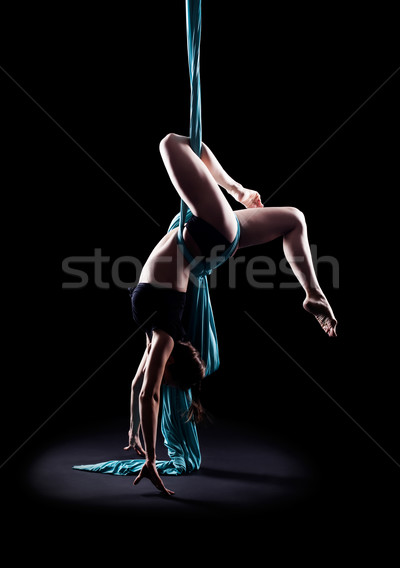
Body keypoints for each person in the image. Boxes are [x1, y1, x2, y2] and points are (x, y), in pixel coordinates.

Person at [125, 133, 337, 495]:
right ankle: (312, 294)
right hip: (212, 234)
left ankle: (314, 294)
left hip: (208, 242)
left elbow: (137, 387)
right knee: (171, 144)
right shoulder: (163, 338)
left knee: (294, 219)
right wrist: (150, 461)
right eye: (169, 378)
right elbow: (149, 394)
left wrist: (133, 428)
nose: (161, 379)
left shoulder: (156, 339)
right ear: (173, 363)